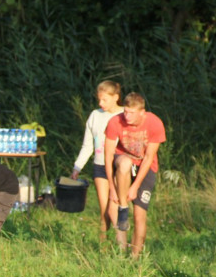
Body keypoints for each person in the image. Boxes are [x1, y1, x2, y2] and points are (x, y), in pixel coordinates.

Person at [104, 92, 166, 257]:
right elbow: (108, 155)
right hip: (122, 163)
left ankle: (135, 257)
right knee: (124, 163)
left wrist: (135, 187)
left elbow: (148, 158)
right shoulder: (115, 122)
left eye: (131, 113)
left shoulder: (154, 123)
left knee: (139, 215)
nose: (127, 116)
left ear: (142, 112)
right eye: (125, 111)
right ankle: (121, 249)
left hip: (144, 166)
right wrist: (112, 187)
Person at [71, 80, 124, 238]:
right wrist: (77, 168)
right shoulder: (95, 115)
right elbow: (88, 146)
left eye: (104, 100)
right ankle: (103, 246)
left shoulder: (124, 115)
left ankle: (121, 243)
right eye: (99, 99)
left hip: (119, 167)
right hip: (100, 166)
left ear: (115, 97)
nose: (101, 103)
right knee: (104, 210)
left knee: (115, 208)